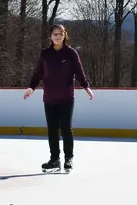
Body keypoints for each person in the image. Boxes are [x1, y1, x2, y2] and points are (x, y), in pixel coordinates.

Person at [23, 24, 92, 173]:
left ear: (65, 35)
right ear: (50, 36)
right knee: (52, 130)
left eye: (60, 34)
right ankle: (54, 160)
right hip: (49, 98)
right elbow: (38, 73)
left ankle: (68, 159)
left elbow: (79, 72)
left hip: (66, 98)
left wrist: (86, 87)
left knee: (66, 129)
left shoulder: (71, 53)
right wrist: (31, 87)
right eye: (55, 34)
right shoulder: (45, 54)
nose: (58, 36)